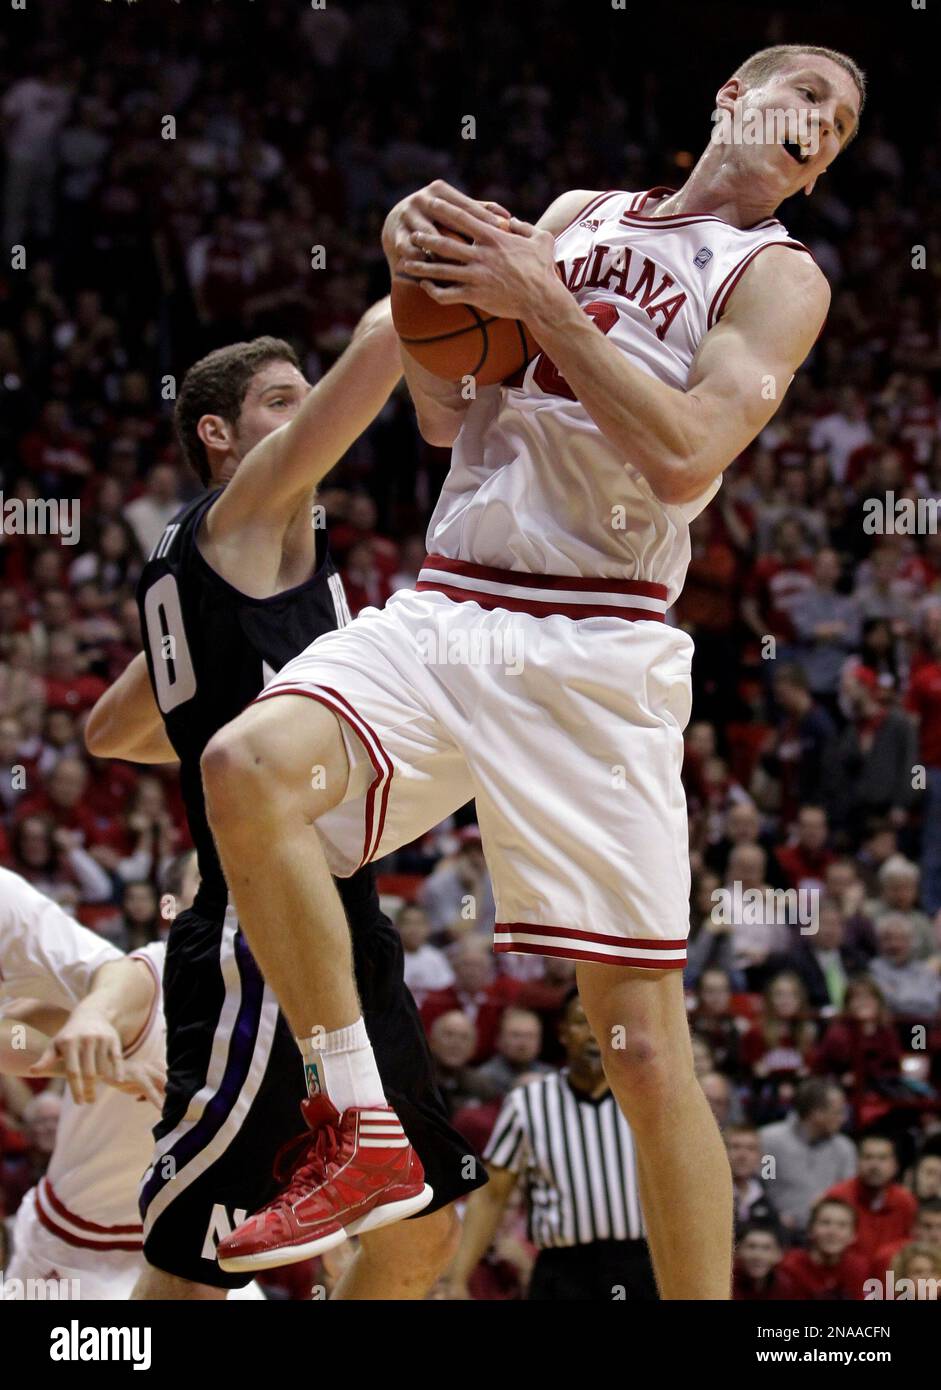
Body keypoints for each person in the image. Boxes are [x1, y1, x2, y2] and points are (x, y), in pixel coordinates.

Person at [200, 44, 865, 1296]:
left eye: (839, 126)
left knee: (640, 1046)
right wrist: (420, 278)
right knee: (244, 765)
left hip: (597, 638)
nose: (823, 128)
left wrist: (538, 298)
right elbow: (450, 411)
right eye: (807, 97)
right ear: (729, 94)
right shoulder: (572, 216)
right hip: (455, 601)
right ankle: (364, 1124)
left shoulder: (777, 281)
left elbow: (683, 458)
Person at [85, 314, 480, 1298]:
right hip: (255, 941)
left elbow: (110, 728)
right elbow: (384, 347)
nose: (305, 415)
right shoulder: (250, 509)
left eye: (303, 396)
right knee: (200, 1254)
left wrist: (214, 720)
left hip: (339, 919)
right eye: (279, 401)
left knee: (424, 1219)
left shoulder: (223, 565)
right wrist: (417, 288)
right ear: (218, 435)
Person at [0, 868, 167, 1300]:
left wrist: (95, 1026)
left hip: (175, 1240)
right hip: (72, 1243)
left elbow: (103, 971)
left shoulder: (10, 901)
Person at [445, 992, 656, 1300]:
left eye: (607, 1024)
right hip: (562, 1271)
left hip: (640, 1265)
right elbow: (492, 1196)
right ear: (562, 1033)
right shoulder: (527, 1103)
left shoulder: (649, 1100)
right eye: (583, 1022)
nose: (595, 1033)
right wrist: (457, 1277)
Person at [759, 1078, 857, 1235]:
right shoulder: (770, 1141)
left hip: (827, 1236)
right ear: (817, 1113)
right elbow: (763, 1183)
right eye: (838, 1112)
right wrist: (775, 1216)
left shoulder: (844, 1148)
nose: (843, 1118)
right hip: (778, 1233)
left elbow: (848, 1194)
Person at [823, 1134, 917, 1266]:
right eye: (868, 1157)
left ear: (895, 1165)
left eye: (882, 1158)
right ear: (857, 1163)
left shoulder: (906, 1202)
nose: (874, 1165)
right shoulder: (838, 1197)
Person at [778, 1196, 867, 1299]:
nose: (833, 1232)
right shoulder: (790, 1267)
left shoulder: (859, 1269)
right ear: (810, 1230)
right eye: (825, 1223)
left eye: (842, 1225)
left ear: (853, 1235)